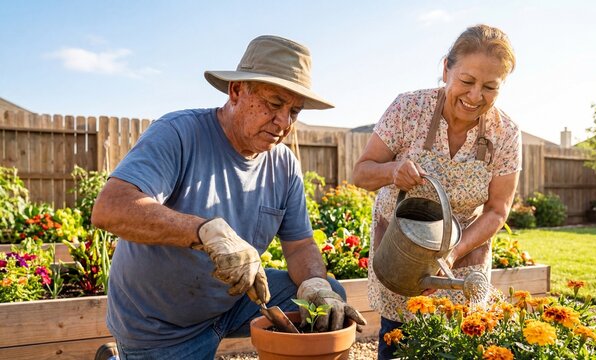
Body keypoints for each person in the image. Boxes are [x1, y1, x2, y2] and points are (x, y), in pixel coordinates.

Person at [91, 34, 366, 360]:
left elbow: (301, 245)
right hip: (161, 323)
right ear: (236, 91)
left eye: (295, 111)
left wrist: (314, 284)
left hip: (234, 302)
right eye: (275, 104)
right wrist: (204, 232)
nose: (284, 122)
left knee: (326, 297)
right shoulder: (179, 134)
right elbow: (111, 208)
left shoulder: (283, 164)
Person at [352, 24, 521, 359]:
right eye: (467, 81)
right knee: (397, 343)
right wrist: (391, 171)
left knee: (456, 345)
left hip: (462, 256)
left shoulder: (505, 134)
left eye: (490, 87)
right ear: (446, 68)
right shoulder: (408, 109)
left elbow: (497, 211)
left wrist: (451, 255)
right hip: (401, 251)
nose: (475, 96)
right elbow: (361, 173)